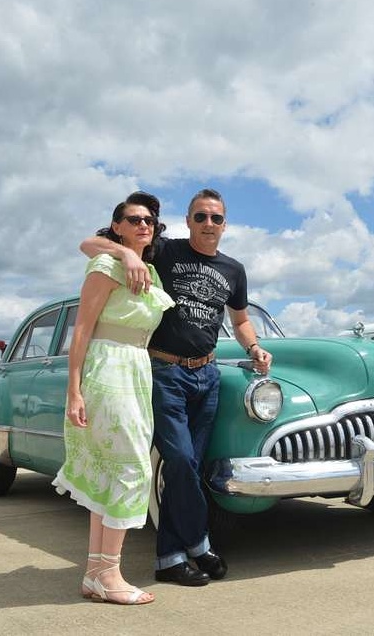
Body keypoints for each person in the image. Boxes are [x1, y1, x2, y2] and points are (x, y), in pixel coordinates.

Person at [81, 188, 272, 587]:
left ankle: (170, 558)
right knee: (181, 462)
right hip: (165, 371)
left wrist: (254, 347)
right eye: (200, 217)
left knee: (188, 470)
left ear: (224, 224)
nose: (208, 224)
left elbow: (239, 321)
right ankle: (199, 543)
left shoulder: (234, 270)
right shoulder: (165, 251)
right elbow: (90, 242)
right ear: (188, 221)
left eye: (215, 218)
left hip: (208, 374)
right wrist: (128, 254)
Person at [53, 192, 174, 605]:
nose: (144, 225)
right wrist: (74, 389)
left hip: (137, 369)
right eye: (134, 219)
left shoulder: (151, 272)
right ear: (117, 226)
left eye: (150, 221)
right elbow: (82, 330)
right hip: (108, 368)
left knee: (115, 469)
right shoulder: (105, 264)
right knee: (132, 468)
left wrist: (135, 259)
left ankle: (96, 573)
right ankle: (110, 572)